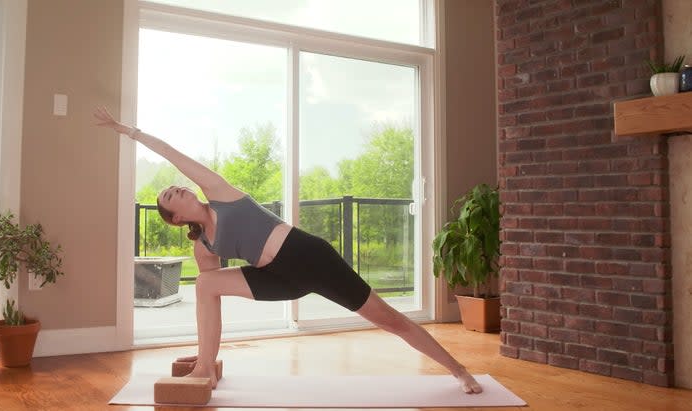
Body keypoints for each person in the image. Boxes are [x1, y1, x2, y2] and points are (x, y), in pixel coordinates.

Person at [94, 107, 483, 394]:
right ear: (176, 219)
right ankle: (204, 366)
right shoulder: (203, 245)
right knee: (205, 286)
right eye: (167, 196)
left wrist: (128, 130)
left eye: (174, 187)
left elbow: (171, 153)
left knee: (388, 318)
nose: (174, 189)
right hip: (277, 279)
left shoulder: (220, 193)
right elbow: (210, 293)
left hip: (309, 258)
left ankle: (459, 370)